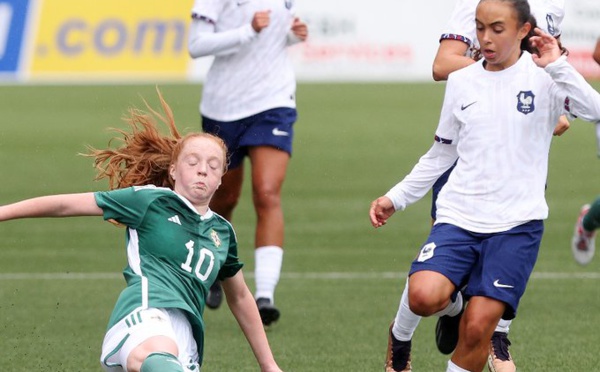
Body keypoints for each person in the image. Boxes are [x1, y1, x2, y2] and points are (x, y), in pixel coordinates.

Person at [370, 0, 600, 371]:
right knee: (422, 296)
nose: (485, 39)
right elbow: (441, 153)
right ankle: (441, 313)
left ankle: (477, 323)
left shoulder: (547, 76)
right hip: (459, 217)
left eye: (497, 29)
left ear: (524, 31)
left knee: (478, 331)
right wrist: (395, 198)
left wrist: (559, 65)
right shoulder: (463, 80)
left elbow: (595, 110)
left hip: (516, 227)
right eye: (480, 28)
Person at [0, 92, 283, 372]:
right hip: (144, 315)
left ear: (221, 178)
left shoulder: (223, 232)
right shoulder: (151, 200)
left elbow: (241, 297)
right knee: (160, 355)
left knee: (168, 356)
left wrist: (268, 364)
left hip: (186, 338)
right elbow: (64, 205)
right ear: (173, 169)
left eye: (213, 166)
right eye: (193, 162)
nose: (202, 171)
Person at [187, 0, 308, 326]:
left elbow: (283, 32)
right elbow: (196, 46)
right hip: (223, 108)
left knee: (267, 193)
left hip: (274, 101)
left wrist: (295, 35)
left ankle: (265, 295)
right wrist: (247, 30)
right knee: (223, 199)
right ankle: (212, 268)